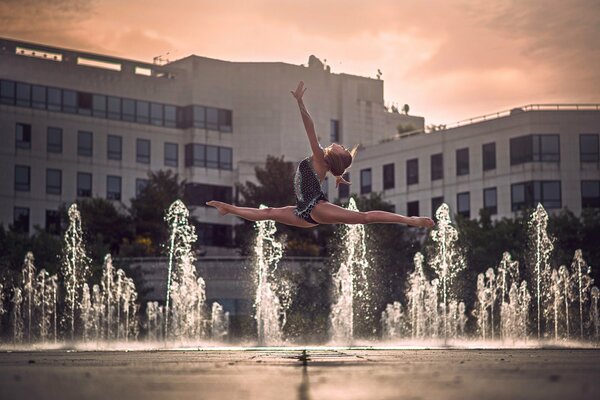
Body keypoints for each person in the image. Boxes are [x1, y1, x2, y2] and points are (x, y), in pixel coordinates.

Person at [207, 81, 435, 229]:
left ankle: (410, 220)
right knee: (267, 212)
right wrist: (338, 175)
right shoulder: (325, 166)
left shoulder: (319, 158)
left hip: (315, 208)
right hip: (301, 211)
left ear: (334, 157)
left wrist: (300, 102)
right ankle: (228, 208)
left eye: (342, 149)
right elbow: (329, 170)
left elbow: (310, 127)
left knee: (363, 217)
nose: (339, 144)